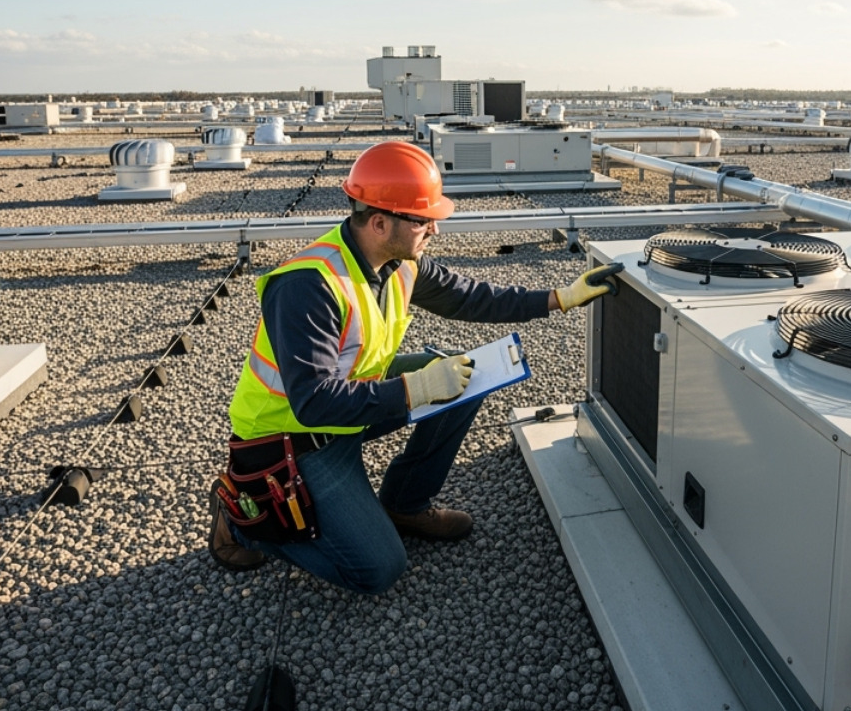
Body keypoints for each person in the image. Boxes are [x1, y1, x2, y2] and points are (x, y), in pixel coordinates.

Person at [209, 140, 623, 593]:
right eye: (424, 220)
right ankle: (242, 521)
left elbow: (469, 296)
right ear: (380, 222)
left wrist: (559, 298)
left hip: (352, 404)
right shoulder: (308, 285)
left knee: (465, 375)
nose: (435, 230)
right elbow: (313, 402)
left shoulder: (398, 262)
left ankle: (405, 504)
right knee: (377, 570)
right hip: (294, 440)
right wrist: (415, 390)